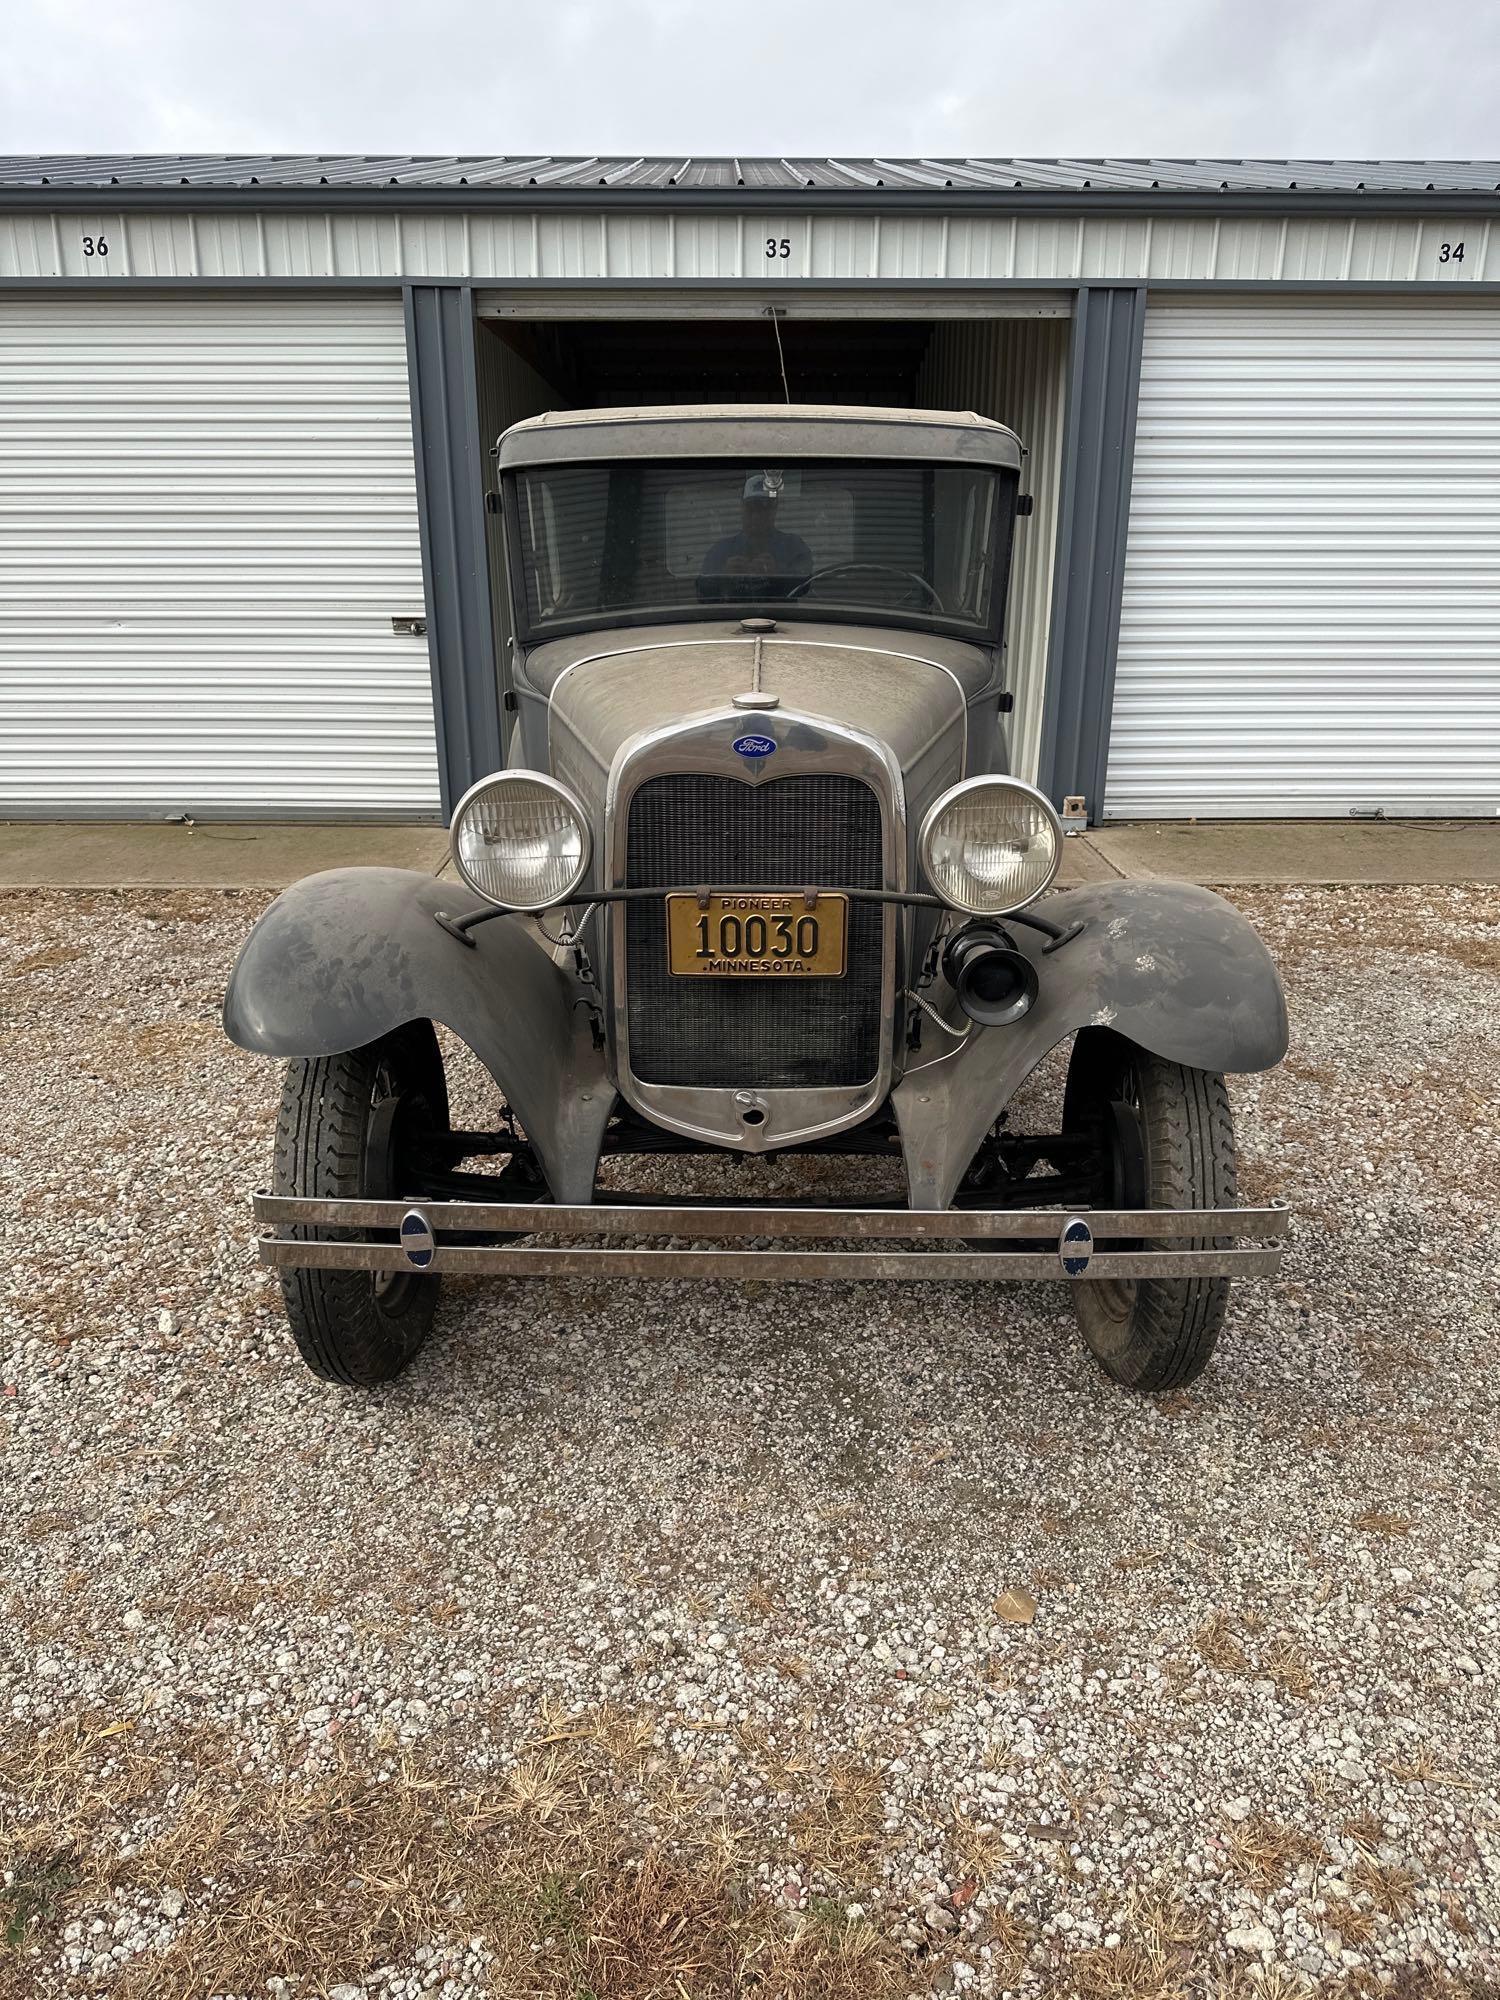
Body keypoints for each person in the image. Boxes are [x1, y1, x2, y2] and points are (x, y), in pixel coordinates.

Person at [697, 471, 813, 600]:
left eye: (764, 507)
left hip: (783, 617)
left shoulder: (794, 547)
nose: (756, 515)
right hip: (730, 617)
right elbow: (702, 593)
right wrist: (724, 576)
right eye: (751, 507)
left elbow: (806, 590)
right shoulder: (719, 551)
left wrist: (778, 574)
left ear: (775, 509)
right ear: (741, 508)